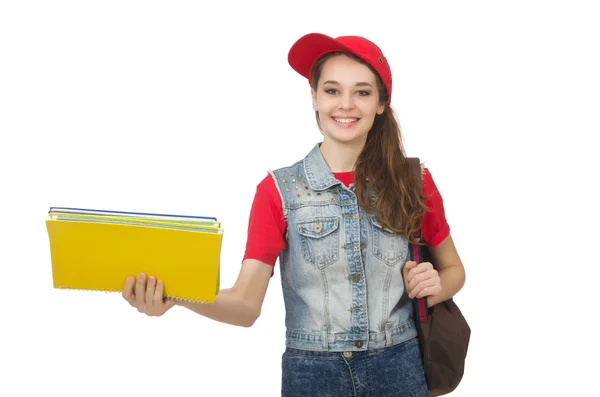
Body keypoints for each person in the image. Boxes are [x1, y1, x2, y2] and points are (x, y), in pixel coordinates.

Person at [122, 32, 466, 397]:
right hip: (313, 378)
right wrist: (176, 297)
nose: (345, 104)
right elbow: (245, 306)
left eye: (362, 92)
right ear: (314, 97)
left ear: (381, 102)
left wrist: (436, 285)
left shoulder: (414, 182)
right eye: (332, 90)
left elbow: (454, 270)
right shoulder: (278, 191)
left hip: (399, 370)